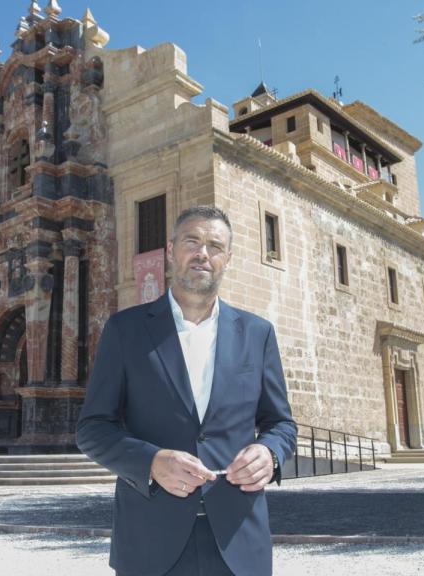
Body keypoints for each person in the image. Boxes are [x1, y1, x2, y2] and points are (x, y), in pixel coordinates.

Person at [77, 205, 297, 576]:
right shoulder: (124, 330)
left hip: (239, 542)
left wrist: (269, 452)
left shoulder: (258, 334)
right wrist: (150, 462)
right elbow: (93, 428)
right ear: (170, 250)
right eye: (191, 241)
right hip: (149, 541)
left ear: (227, 259)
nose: (202, 253)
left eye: (215, 245)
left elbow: (281, 425)